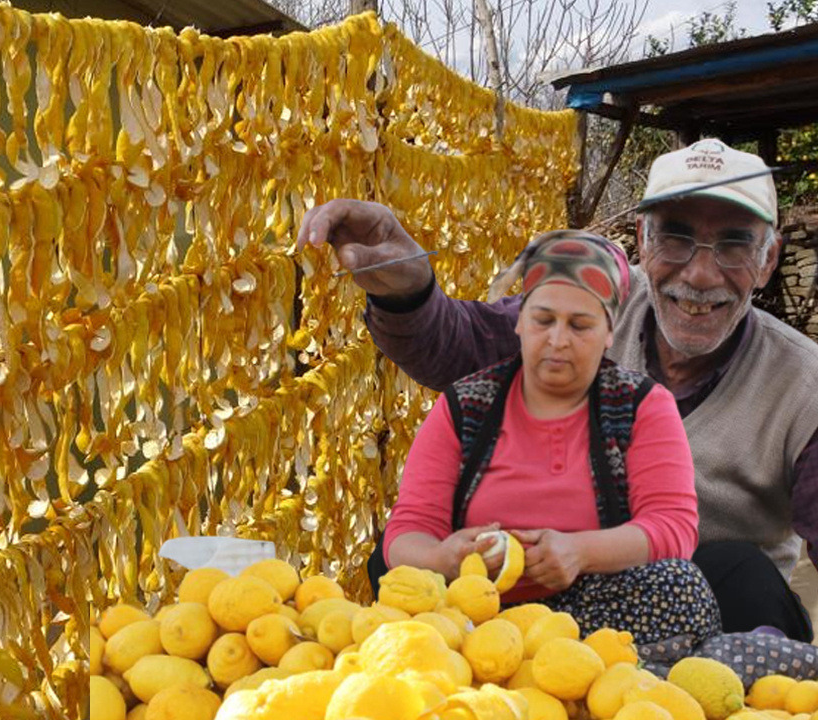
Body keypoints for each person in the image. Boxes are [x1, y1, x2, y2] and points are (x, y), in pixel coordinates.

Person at [300, 138, 818, 641]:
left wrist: (581, 551)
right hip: (495, 596)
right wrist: (408, 291)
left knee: (740, 571)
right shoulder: (578, 290)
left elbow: (674, 527)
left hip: (669, 598)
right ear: (642, 239)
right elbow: (458, 342)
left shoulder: (803, 382)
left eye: (734, 244)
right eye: (676, 237)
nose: (701, 274)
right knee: (394, 566)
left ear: (769, 259)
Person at [379, 229, 717, 644]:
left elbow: (673, 528)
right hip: (476, 615)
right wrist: (440, 557)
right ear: (520, 321)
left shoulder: (641, 406)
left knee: (679, 587)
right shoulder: (465, 408)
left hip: (600, 617)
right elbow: (408, 529)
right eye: (543, 320)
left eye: (580, 325)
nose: (558, 341)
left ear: (609, 333)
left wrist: (579, 553)